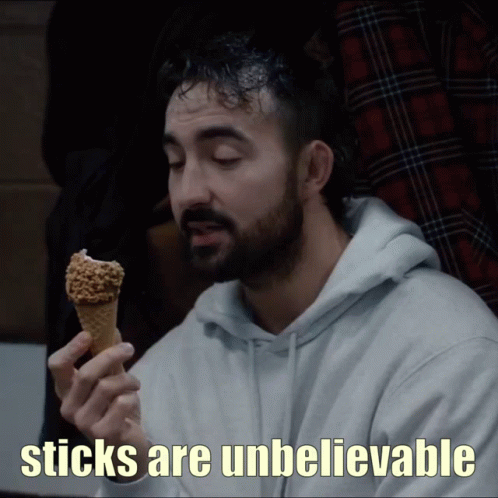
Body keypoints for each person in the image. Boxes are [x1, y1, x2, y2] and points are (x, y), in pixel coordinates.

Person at [48, 29, 498, 497]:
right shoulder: (162, 376)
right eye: (176, 162)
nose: (188, 193)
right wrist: (133, 475)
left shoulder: (447, 353)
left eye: (224, 158)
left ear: (312, 170)